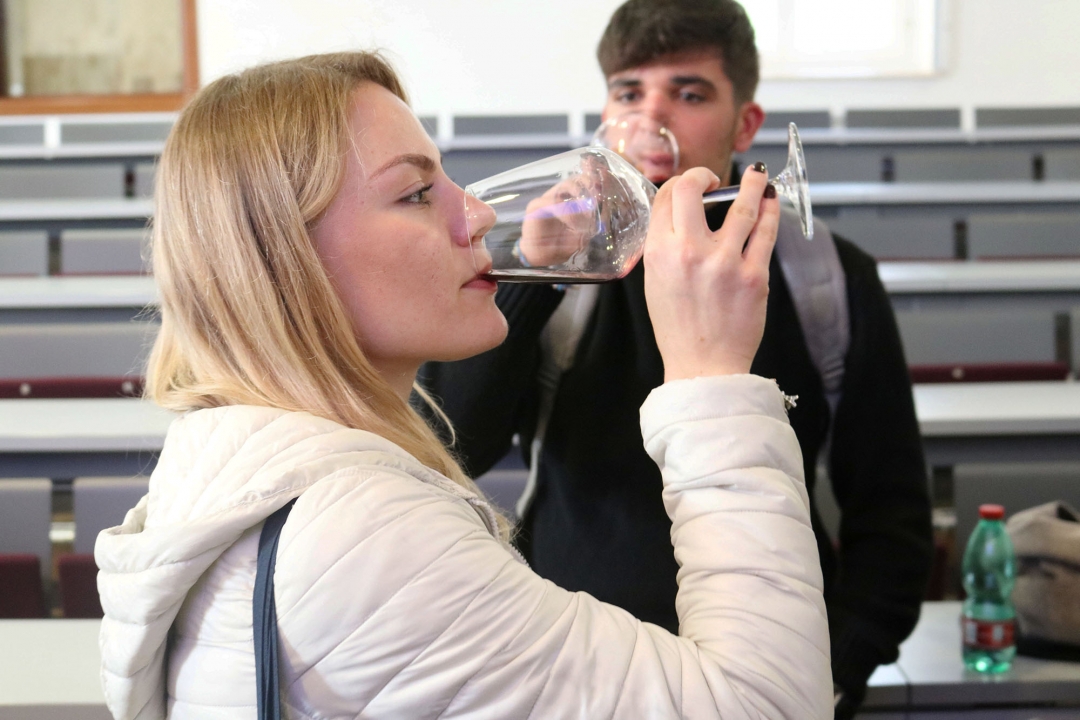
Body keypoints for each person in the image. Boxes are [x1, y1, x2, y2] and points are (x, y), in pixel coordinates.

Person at [93, 51, 832, 718]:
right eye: (417, 193)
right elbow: (766, 707)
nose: (477, 213)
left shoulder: (230, 458)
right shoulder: (366, 536)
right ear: (285, 255)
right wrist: (711, 376)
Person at [419, 1, 934, 717]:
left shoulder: (829, 277)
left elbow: (894, 522)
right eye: (630, 93)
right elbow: (453, 450)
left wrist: (831, 674)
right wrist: (533, 275)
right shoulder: (555, 274)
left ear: (745, 124)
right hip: (574, 674)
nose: (652, 116)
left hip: (773, 675)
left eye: (689, 94)